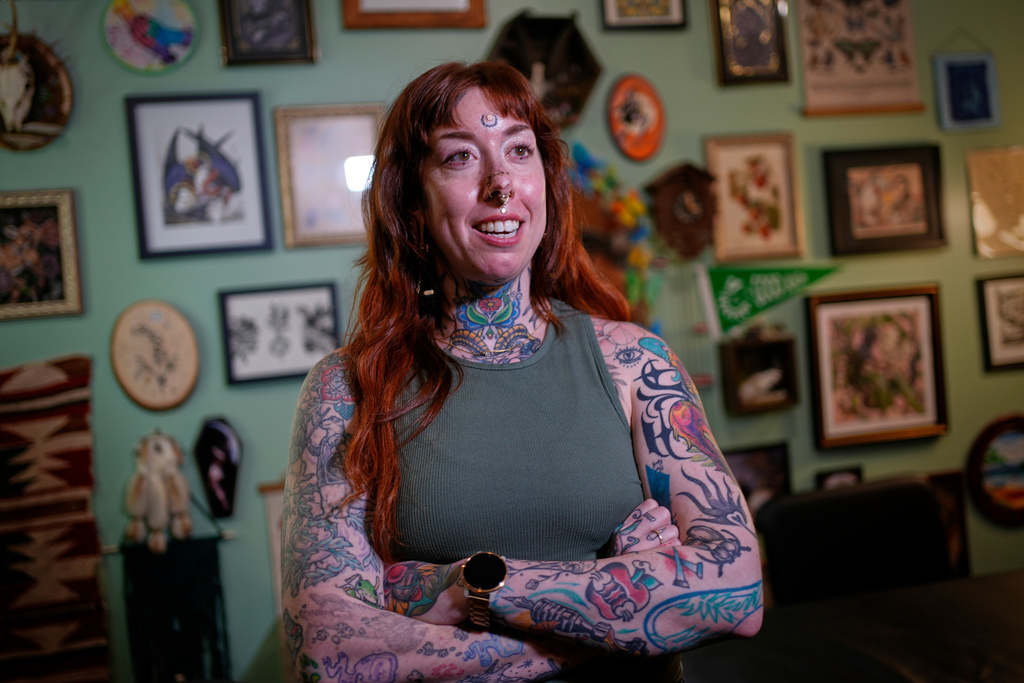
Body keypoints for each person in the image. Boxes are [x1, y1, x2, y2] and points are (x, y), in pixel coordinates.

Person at [281, 61, 763, 683]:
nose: (500, 183)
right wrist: (620, 609)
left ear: (546, 180)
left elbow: (738, 591)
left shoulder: (637, 364)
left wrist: (471, 586)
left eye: (519, 150)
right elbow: (330, 656)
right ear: (411, 199)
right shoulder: (345, 392)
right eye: (459, 157)